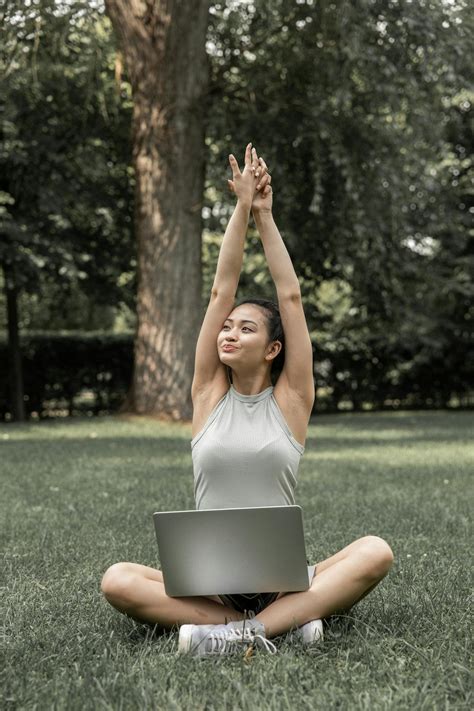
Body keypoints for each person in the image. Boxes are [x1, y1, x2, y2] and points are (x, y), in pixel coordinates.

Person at [100, 143, 394, 657]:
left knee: (376, 552)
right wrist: (239, 207)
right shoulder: (207, 394)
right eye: (227, 328)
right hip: (210, 582)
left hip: (283, 578)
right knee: (117, 581)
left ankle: (242, 631)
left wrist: (264, 216)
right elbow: (221, 291)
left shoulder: (293, 401)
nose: (229, 333)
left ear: (274, 348)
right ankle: (275, 624)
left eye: (246, 328)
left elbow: (290, 298)